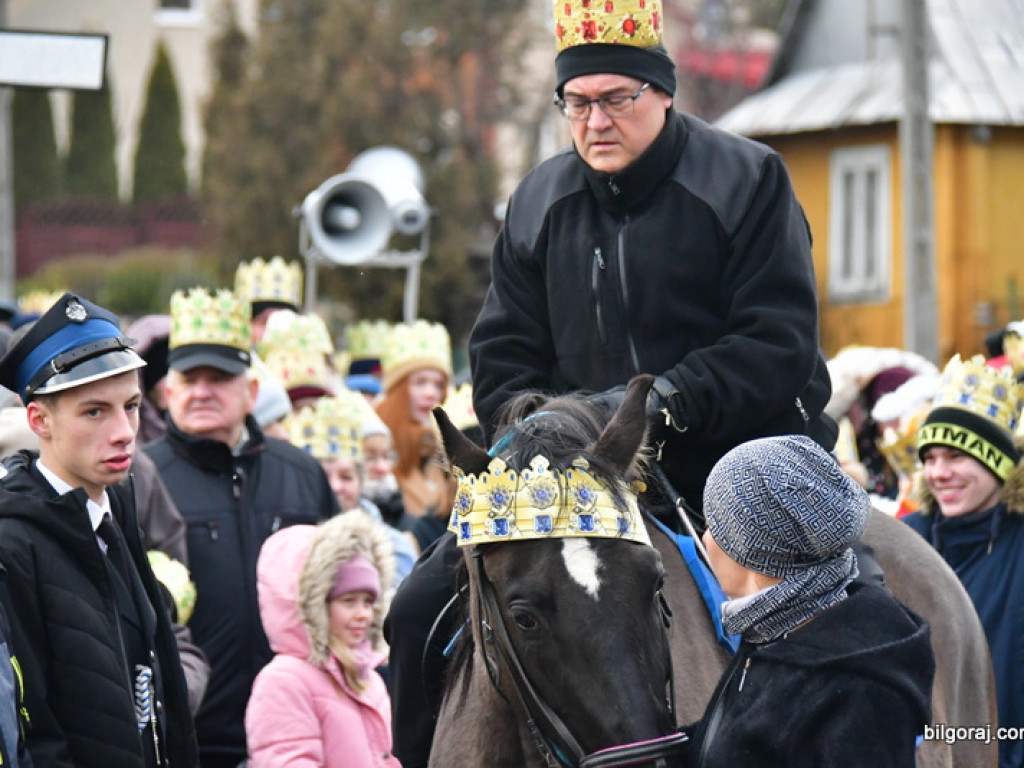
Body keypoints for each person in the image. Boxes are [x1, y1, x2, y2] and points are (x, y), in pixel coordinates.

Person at [387, 1, 836, 763]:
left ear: (663, 92)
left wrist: (663, 403)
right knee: (413, 607)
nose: (595, 121)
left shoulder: (749, 177)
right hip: (569, 477)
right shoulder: (536, 200)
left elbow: (776, 342)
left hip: (730, 460)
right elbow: (501, 352)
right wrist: (543, 431)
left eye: (616, 99)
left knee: (846, 614)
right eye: (576, 102)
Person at [0, 292, 199, 767]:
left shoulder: (118, 506)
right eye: (95, 411)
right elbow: (32, 728)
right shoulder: (13, 542)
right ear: (39, 420)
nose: (124, 431)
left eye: (131, 405)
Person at [144, 287, 339, 768]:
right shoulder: (140, 479)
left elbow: (342, 588)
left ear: (251, 391)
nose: (202, 391)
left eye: (219, 378)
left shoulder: (301, 473)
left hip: (297, 737)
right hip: (191, 738)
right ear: (168, 391)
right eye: (189, 379)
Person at [683, 435, 933, 766]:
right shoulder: (776, 631)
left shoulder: (857, 689)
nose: (704, 538)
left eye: (713, 525)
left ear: (753, 554)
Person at [903, 354, 1024, 768]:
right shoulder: (905, 541)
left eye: (956, 456)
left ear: (997, 461)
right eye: (929, 458)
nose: (938, 473)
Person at [245, 512, 400, 767]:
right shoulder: (284, 681)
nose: (363, 614)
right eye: (348, 601)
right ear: (315, 606)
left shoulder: (367, 678)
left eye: (368, 601)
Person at [285, 392, 416, 586]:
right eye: (323, 477)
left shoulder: (393, 547)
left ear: (360, 482)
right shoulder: (286, 545)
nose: (335, 486)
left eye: (346, 476)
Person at [374, 320, 452, 519]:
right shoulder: (375, 441)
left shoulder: (441, 448)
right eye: (420, 382)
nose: (430, 393)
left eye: (438, 385)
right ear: (398, 389)